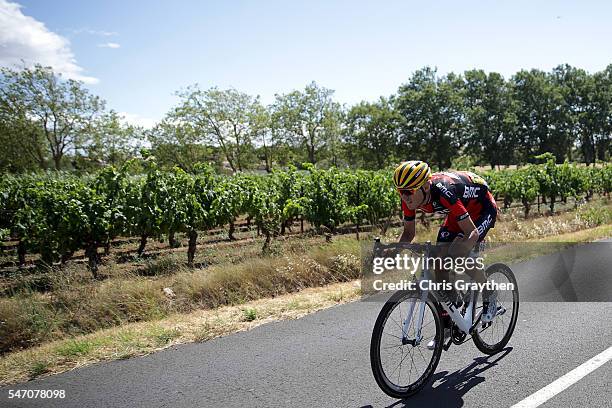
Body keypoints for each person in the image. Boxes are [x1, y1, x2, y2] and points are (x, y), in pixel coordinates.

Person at [393, 160, 498, 349]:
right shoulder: (409, 197)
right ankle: (451, 320)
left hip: (482, 208)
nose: (405, 197)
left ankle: (489, 294)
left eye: (408, 192)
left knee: (461, 256)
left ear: (425, 186)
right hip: (460, 211)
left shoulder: (444, 190)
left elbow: (472, 232)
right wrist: (392, 253)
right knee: (439, 265)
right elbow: (409, 233)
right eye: (400, 191)